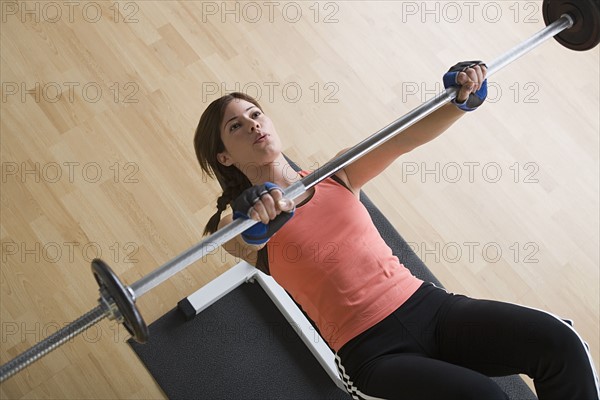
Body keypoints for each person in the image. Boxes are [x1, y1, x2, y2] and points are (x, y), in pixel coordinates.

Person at [193, 62, 599, 400]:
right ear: (225, 157)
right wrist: (255, 219)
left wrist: (460, 102)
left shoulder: (336, 175)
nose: (252, 125)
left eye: (255, 114)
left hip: (430, 308)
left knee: (559, 342)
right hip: (372, 353)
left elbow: (403, 139)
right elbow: (236, 241)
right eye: (235, 126)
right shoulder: (242, 223)